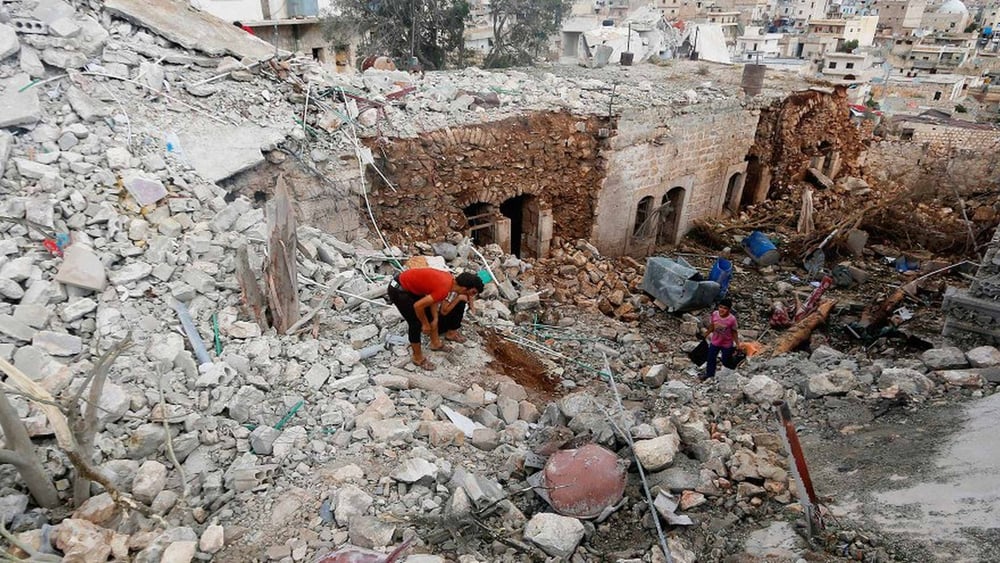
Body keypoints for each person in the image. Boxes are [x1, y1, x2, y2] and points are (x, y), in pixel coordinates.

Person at [387, 268, 484, 370]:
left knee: (431, 317)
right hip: (398, 289)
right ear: (464, 288)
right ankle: (418, 358)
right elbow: (418, 306)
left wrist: (435, 318)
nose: (471, 296)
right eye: (472, 292)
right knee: (415, 323)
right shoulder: (444, 289)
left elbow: (434, 299)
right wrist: (425, 324)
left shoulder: (449, 281)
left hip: (410, 287)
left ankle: (435, 343)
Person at [701, 298, 739, 381]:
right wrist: (706, 334)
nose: (722, 310)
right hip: (715, 341)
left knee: (725, 361)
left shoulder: (732, 319)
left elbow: (734, 332)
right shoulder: (715, 314)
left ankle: (734, 367)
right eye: (720, 307)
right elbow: (712, 325)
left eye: (725, 308)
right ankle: (709, 375)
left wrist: (737, 344)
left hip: (726, 343)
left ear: (729, 310)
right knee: (710, 358)